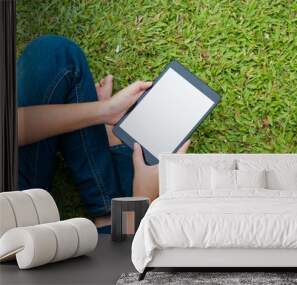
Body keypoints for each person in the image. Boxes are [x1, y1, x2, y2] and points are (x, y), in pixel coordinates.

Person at [17, 35, 190, 232]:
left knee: (55, 53)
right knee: (122, 245)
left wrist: (104, 111)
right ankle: (111, 223)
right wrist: (144, 198)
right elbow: (118, 264)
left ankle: (108, 206)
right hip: (11, 224)